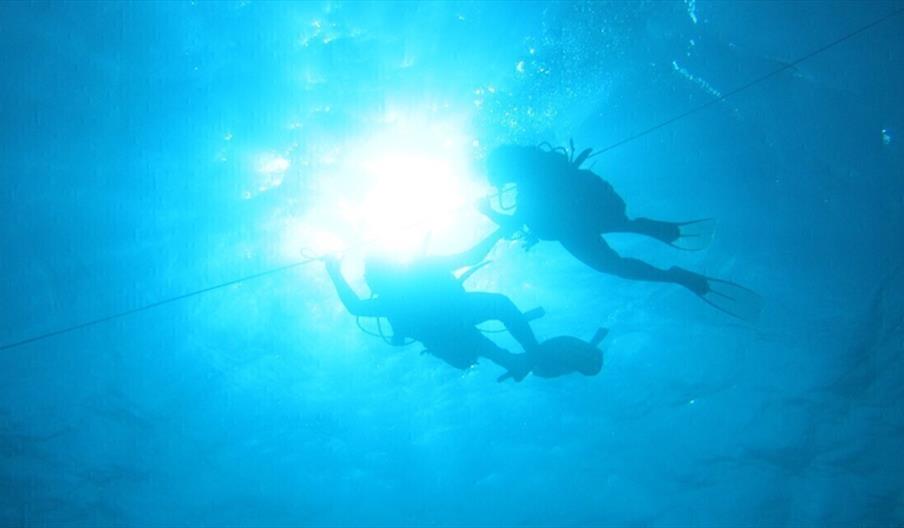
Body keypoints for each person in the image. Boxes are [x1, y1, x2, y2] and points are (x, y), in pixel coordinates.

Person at [479, 144, 761, 321]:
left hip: (575, 223)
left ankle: (673, 274)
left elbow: (519, 224)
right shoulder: (542, 168)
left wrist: (487, 212)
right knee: (617, 235)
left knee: (614, 265)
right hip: (592, 212)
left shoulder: (530, 183)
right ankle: (649, 231)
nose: (499, 182)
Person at [323, 229, 543, 381]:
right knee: (498, 307)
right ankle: (529, 354)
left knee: (480, 330)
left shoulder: (393, 297)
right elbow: (472, 256)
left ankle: (516, 360)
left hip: (451, 332)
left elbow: (356, 306)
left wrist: (334, 272)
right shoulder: (415, 275)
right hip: (455, 324)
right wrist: (499, 230)